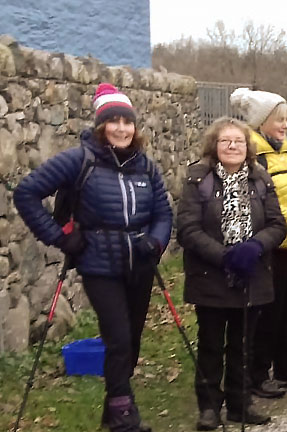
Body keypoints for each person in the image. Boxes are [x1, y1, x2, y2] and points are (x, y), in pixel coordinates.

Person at [13, 83, 172, 432]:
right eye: (112, 121)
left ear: (135, 126)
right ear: (101, 126)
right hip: (99, 264)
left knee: (130, 343)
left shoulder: (146, 166)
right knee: (117, 337)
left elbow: (163, 213)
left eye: (127, 122)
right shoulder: (78, 159)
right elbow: (26, 193)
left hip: (140, 263)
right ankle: (124, 421)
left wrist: (157, 243)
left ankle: (114, 410)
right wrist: (60, 238)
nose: (121, 128)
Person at [176, 117, 286, 429]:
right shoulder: (198, 179)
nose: (233, 146)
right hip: (211, 276)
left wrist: (254, 248)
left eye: (238, 141)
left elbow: (277, 224)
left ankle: (240, 403)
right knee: (211, 343)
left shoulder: (261, 179)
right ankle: (209, 406)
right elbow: (187, 228)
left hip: (252, 275)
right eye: (226, 141)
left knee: (243, 344)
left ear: (248, 146)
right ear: (214, 146)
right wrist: (225, 257)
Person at [230, 88, 287, 399]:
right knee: (269, 314)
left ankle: (286, 367)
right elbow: (264, 205)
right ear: (261, 121)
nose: (285, 125)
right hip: (271, 247)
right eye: (279, 120)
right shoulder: (252, 154)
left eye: (286, 119)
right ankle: (258, 374)